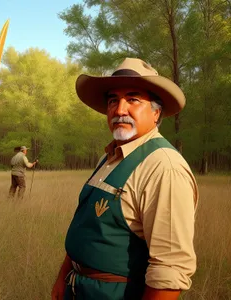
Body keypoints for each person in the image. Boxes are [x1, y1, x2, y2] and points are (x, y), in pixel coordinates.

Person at [51, 58, 199, 300]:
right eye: (113, 101)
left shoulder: (164, 167)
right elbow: (90, 229)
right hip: (76, 289)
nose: (119, 110)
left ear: (156, 112)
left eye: (133, 99)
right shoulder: (109, 156)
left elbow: (170, 269)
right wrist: (63, 280)